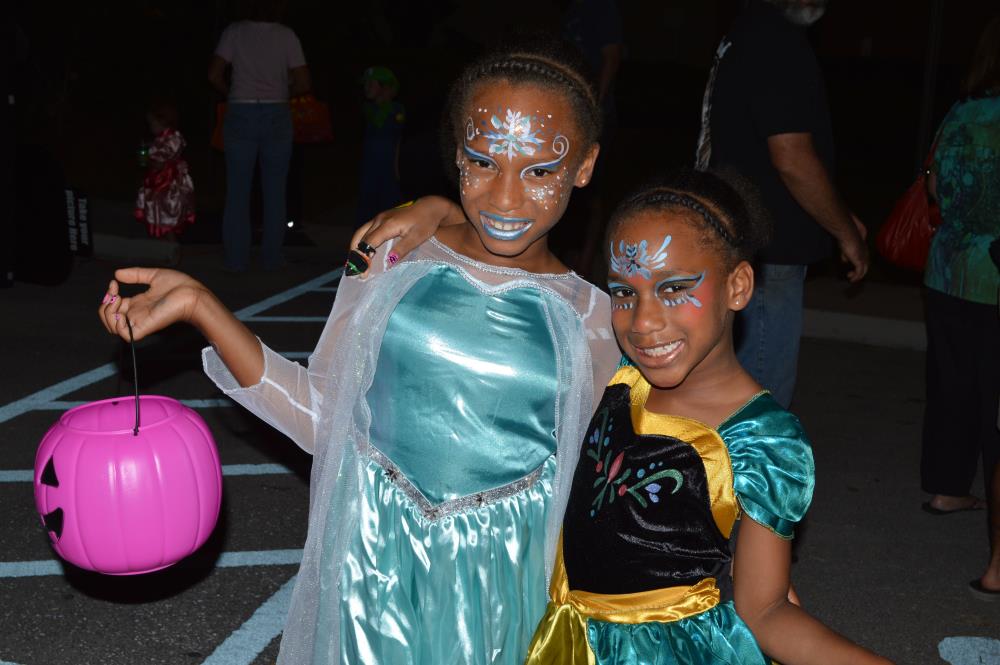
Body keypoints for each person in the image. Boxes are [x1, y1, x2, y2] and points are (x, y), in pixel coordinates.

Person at [100, 41, 621, 664]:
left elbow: (604, 492)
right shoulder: (389, 256)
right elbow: (324, 418)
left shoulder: (599, 321)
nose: (505, 199)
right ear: (455, 152)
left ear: (584, 166)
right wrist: (202, 307)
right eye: (482, 162)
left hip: (504, 597)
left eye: (539, 171)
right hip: (370, 574)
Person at [523, 167, 892, 664]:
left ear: (737, 286)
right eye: (625, 293)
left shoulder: (761, 439)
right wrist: (436, 213)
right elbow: (515, 261)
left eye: (674, 288)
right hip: (567, 641)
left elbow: (765, 610)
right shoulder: (620, 375)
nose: (644, 321)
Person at [695, 0, 868, 408]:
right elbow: (792, 156)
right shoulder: (777, 41)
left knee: (731, 392)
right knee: (758, 405)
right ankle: (749, 473)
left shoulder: (746, 31)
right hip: (768, 253)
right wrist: (848, 235)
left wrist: (839, 214)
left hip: (740, 238)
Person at [920, 15, 1000, 525]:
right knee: (996, 399)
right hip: (993, 275)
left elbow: (932, 190)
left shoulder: (961, 112)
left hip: (946, 271)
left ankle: (947, 488)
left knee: (951, 384)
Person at [207, 0, 311, 272]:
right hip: (276, 113)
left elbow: (214, 74)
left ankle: (236, 259)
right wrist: (283, 89)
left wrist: (231, 91)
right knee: (275, 190)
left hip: (241, 111)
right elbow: (304, 82)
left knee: (238, 190)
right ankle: (272, 258)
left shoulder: (234, 32)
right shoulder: (286, 35)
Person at [134, 99, 195, 255]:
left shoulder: (171, 139)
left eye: (152, 123)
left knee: (165, 217)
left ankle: (171, 250)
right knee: (161, 219)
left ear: (162, 121)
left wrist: (149, 159)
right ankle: (165, 250)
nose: (151, 127)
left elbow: (160, 162)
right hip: (163, 182)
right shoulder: (167, 137)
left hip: (166, 185)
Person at [356, 66, 405, 226]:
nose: (366, 88)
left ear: (385, 87)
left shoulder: (397, 110)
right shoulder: (367, 109)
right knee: (366, 209)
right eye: (365, 84)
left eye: (371, 84)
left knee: (389, 209)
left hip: (389, 170)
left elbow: (400, 140)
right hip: (369, 169)